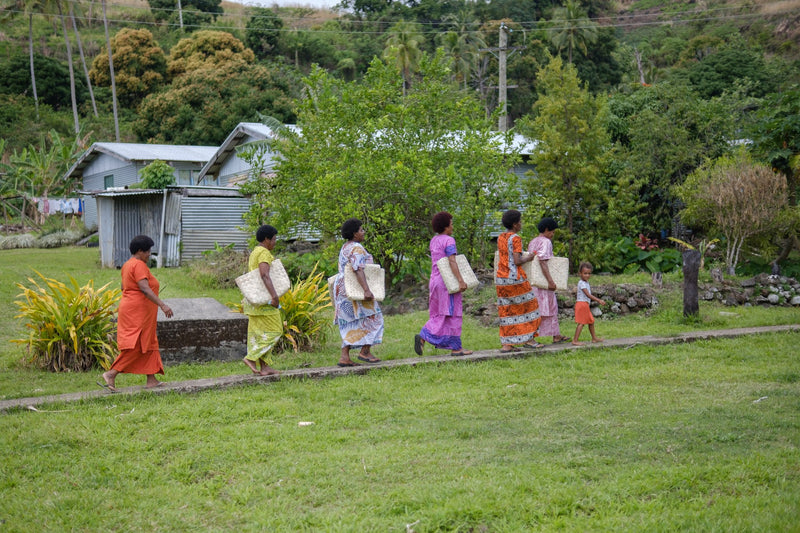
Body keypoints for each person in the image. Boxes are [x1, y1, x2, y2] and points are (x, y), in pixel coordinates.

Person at [99, 235, 173, 392]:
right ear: (140, 251)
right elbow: (144, 288)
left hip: (137, 310)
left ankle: (151, 379)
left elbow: (123, 287)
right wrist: (163, 305)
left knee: (149, 342)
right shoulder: (138, 265)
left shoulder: (127, 265)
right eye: (147, 251)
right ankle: (112, 373)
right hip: (137, 312)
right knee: (138, 344)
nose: (149, 255)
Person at [415, 212, 473, 357]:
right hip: (447, 282)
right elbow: (451, 261)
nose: (453, 226)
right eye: (451, 223)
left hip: (434, 281)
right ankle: (432, 337)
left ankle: (432, 339)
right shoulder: (449, 240)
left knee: (438, 313)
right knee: (452, 313)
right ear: (446, 226)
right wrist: (460, 280)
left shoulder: (434, 241)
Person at [332, 218, 384, 366]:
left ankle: (344, 356)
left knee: (349, 322)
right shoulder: (357, 248)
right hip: (355, 288)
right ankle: (365, 352)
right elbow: (358, 269)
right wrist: (367, 290)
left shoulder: (345, 247)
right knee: (375, 317)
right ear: (355, 234)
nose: (363, 232)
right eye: (361, 230)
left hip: (342, 289)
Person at [495, 209, 542, 352]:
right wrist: (529, 257)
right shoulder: (516, 238)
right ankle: (529, 339)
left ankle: (507, 344)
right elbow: (517, 260)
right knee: (530, 307)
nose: (521, 224)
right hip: (515, 279)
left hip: (501, 279)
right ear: (515, 224)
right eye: (520, 221)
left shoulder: (501, 237)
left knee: (507, 311)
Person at [241, 224, 282, 376]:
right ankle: (251, 358)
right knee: (275, 330)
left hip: (253, 300)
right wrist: (274, 296)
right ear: (266, 239)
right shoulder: (264, 253)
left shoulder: (255, 252)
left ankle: (265, 367)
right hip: (265, 300)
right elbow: (264, 274)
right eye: (274, 239)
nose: (275, 242)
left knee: (259, 333)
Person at [528, 217, 570, 344]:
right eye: (552, 232)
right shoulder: (546, 242)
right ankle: (531, 337)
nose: (552, 235)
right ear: (546, 230)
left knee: (540, 309)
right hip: (544, 282)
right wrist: (550, 281)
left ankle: (556, 335)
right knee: (548, 309)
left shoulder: (533, 241)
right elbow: (543, 261)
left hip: (534, 281)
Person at [572, 261, 607, 345]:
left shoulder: (586, 283)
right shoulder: (581, 283)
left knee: (591, 321)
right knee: (581, 323)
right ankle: (575, 340)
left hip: (585, 305)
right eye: (585, 273)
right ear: (580, 273)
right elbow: (588, 294)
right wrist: (598, 300)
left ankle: (594, 338)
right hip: (582, 304)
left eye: (589, 273)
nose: (587, 275)